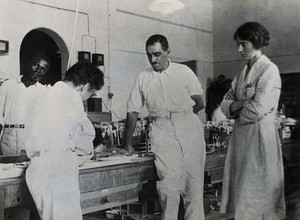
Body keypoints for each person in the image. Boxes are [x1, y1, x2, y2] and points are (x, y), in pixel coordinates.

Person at [124, 34, 206, 220]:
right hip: (161, 129)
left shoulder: (184, 72)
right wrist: (127, 144)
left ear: (168, 52)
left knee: (194, 186)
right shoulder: (143, 77)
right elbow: (132, 111)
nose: (153, 59)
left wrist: (183, 118)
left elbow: (199, 103)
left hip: (188, 125)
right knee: (169, 187)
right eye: (149, 55)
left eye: (158, 54)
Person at [220, 22, 285, 220]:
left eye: (244, 44)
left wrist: (237, 107)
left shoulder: (269, 70)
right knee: (240, 191)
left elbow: (258, 109)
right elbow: (224, 104)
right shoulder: (242, 73)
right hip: (241, 137)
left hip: (259, 137)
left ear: (256, 42)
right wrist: (242, 103)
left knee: (257, 190)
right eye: (237, 44)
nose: (239, 49)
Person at [24, 61, 104, 220]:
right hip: (58, 169)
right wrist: (90, 152)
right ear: (84, 87)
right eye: (91, 94)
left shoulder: (41, 94)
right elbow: (85, 140)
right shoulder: (72, 97)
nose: (87, 98)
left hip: (37, 168)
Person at [0, 54, 50, 155]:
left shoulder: (44, 92)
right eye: (36, 65)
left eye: (42, 69)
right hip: (8, 139)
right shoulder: (8, 85)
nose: (38, 70)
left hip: (32, 140)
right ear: (28, 64)